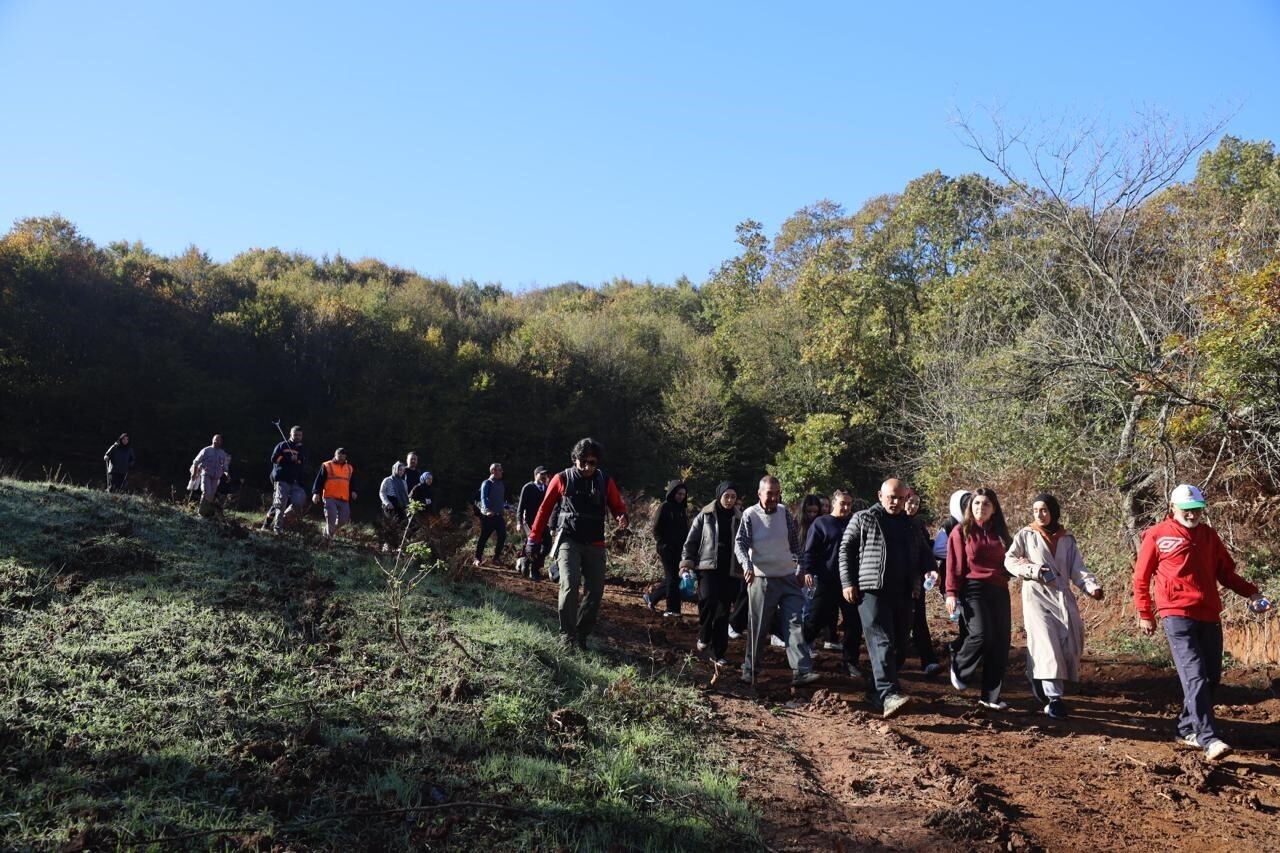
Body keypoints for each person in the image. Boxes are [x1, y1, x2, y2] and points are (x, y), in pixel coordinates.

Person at [1133, 484, 1270, 761]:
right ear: (1173, 508)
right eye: (1187, 510)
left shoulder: (1208, 536)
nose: (1193, 515)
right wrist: (1145, 613)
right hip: (1176, 615)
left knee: (1211, 677)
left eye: (1197, 510)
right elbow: (1141, 578)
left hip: (1208, 614)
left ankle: (1186, 728)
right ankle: (1208, 739)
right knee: (1194, 675)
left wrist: (1252, 592)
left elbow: (1227, 573)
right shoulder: (1157, 535)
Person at [1005, 493, 1102, 719]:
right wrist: (1033, 570)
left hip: (1062, 596)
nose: (1039, 515)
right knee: (1046, 644)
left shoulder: (1067, 538)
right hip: (1037, 597)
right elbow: (1010, 560)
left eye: (1044, 510)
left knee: (1071, 640)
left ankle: (1037, 677)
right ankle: (1054, 699)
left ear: (1053, 511)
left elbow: (1077, 568)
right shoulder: (1026, 535)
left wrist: (1090, 586)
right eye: (1036, 511)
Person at [526, 438, 628, 651]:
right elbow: (544, 510)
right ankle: (567, 635)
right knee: (570, 585)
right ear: (575, 459)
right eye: (583, 460)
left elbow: (618, 505)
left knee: (595, 592)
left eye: (592, 461)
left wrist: (622, 516)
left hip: (596, 543)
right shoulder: (561, 478)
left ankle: (581, 635)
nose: (587, 466)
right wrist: (533, 539)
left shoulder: (605, 481)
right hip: (568, 540)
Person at [840, 479, 928, 718]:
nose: (896, 502)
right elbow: (846, 549)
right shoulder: (863, 518)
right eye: (891, 497)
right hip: (871, 591)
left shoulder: (911, 524)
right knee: (883, 643)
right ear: (880, 495)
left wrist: (931, 570)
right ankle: (889, 694)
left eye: (901, 498)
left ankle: (874, 692)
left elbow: (924, 553)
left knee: (899, 648)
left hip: (903, 592)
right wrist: (848, 582)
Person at [737, 475, 817, 688]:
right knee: (759, 626)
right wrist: (747, 566)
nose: (773, 497)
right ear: (760, 493)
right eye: (769, 493)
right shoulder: (750, 515)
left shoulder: (784, 513)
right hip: (762, 578)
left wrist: (801, 568)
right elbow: (740, 544)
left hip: (787, 577)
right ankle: (750, 670)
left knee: (794, 623)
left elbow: (794, 543)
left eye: (776, 493)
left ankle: (801, 671)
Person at [945, 487, 1014, 710]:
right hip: (973, 588)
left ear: (994, 509)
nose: (980, 508)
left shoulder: (1001, 534)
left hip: (999, 590)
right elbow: (954, 565)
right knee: (982, 634)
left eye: (985, 504)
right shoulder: (961, 531)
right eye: (976, 504)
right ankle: (959, 666)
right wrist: (951, 593)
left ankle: (991, 696)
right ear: (969, 507)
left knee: (1001, 643)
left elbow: (1012, 562)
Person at [681, 481, 744, 666]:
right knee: (707, 601)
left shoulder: (741, 518)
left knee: (723, 612)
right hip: (707, 567)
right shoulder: (705, 515)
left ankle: (718, 653)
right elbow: (691, 541)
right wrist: (686, 563)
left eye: (733, 497)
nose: (730, 500)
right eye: (727, 496)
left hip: (730, 570)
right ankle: (704, 633)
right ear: (719, 495)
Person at [802, 489, 864, 678]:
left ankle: (850, 661)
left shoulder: (855, 523)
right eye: (842, 503)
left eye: (848, 504)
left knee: (853, 623)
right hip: (826, 579)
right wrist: (808, 571)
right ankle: (798, 653)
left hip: (850, 582)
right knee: (816, 619)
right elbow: (810, 550)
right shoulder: (822, 523)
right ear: (833, 504)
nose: (845, 507)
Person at [903, 487, 943, 676]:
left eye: (916, 503)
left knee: (919, 620)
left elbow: (926, 550)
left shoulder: (918, 524)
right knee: (898, 623)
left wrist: (930, 570)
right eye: (910, 501)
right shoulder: (889, 522)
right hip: (893, 582)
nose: (912, 506)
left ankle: (929, 660)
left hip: (916, 581)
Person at [934, 489, 973, 654]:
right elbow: (938, 549)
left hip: (971, 577)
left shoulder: (974, 524)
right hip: (954, 576)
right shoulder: (950, 526)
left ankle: (966, 640)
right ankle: (964, 643)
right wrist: (960, 553)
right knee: (962, 612)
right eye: (964, 505)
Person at [652, 479, 691, 617]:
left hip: (680, 549)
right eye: (678, 493)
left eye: (683, 494)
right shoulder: (665, 507)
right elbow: (656, 528)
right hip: (666, 549)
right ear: (672, 493)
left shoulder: (682, 509)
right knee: (673, 577)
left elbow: (685, 530)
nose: (681, 496)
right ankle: (672, 609)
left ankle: (652, 598)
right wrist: (662, 544)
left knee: (674, 577)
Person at [268, 425, 308, 533]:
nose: (297, 437)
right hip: (282, 479)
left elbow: (302, 463)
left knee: (298, 503)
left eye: (299, 435)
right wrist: (288, 459)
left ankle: (283, 520)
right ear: (291, 434)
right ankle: (277, 529)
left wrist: (298, 461)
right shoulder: (282, 445)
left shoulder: (302, 449)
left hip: (296, 482)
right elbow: (274, 458)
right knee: (280, 504)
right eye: (295, 434)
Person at [312, 447, 357, 540]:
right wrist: (316, 493)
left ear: (345, 457)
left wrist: (354, 491)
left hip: (344, 498)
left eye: (343, 457)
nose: (341, 458)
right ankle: (327, 540)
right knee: (331, 519)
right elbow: (319, 480)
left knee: (343, 520)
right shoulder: (327, 465)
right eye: (339, 456)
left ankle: (328, 531)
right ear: (335, 455)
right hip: (329, 497)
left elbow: (352, 482)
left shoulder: (349, 468)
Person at [516, 467, 551, 581]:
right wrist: (519, 522)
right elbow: (520, 507)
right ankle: (534, 570)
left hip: (543, 522)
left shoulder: (546, 488)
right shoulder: (528, 487)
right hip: (529, 522)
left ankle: (528, 561)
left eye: (546, 474)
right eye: (542, 474)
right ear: (536, 475)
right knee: (533, 546)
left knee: (547, 545)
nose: (544, 476)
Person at [475, 463, 507, 567]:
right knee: (484, 537)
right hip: (488, 516)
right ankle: (477, 558)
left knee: (502, 535)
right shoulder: (487, 483)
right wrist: (488, 510)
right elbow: (483, 498)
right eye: (500, 470)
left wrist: (506, 507)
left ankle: (496, 557)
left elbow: (499, 500)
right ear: (493, 471)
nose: (502, 471)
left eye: (501, 470)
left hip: (498, 515)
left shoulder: (501, 484)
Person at [191, 434, 231, 518]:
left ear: (221, 442)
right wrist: (194, 474)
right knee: (206, 492)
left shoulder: (222, 453)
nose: (217, 441)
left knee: (211, 495)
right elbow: (196, 462)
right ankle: (200, 513)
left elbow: (225, 467)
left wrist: (227, 474)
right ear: (212, 440)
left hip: (216, 477)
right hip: (206, 475)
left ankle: (206, 514)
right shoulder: (206, 450)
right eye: (215, 440)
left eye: (219, 440)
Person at [379, 461, 410, 551]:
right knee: (391, 525)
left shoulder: (403, 482)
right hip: (390, 504)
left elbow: (406, 494)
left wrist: (407, 506)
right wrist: (387, 502)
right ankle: (387, 546)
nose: (401, 472)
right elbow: (382, 492)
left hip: (400, 504)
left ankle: (398, 546)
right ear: (395, 469)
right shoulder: (387, 480)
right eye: (399, 470)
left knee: (401, 524)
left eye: (402, 471)